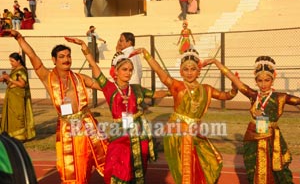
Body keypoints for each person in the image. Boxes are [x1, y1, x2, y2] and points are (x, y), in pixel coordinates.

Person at [6, 29, 109, 184]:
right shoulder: (48, 78)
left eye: (68, 56)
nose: (66, 59)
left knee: (107, 159)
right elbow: (33, 57)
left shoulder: (81, 78)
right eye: (61, 57)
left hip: (88, 124)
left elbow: (106, 87)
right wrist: (20, 39)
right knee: (74, 169)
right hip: (68, 128)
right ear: (54, 60)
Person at [64, 37, 170, 183]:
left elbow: (156, 94)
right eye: (125, 69)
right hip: (120, 133)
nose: (128, 73)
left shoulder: (136, 89)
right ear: (116, 71)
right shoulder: (109, 88)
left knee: (139, 166)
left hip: (139, 132)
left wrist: (174, 91)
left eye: (131, 70)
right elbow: (94, 66)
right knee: (120, 166)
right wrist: (84, 47)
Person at [136, 48, 238, 183]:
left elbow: (226, 96)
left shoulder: (206, 89)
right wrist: (146, 54)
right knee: (186, 167)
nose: (189, 73)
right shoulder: (177, 85)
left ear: (198, 71)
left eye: (193, 69)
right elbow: (160, 72)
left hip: (195, 133)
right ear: (180, 71)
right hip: (178, 133)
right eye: (186, 69)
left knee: (208, 161)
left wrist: (234, 88)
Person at [206, 56, 300, 183]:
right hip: (253, 136)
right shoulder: (253, 95)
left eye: (267, 80)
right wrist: (216, 62)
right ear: (256, 81)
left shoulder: (281, 97)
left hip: (272, 137)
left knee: (277, 169)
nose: (263, 84)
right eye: (260, 80)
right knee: (254, 167)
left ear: (273, 79)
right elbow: (233, 78)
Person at [0, 52, 36, 142]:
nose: (11, 63)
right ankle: (11, 135)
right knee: (11, 117)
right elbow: (13, 83)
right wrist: (5, 79)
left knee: (18, 116)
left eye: (12, 61)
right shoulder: (15, 69)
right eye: (10, 61)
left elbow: (22, 84)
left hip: (18, 99)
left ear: (18, 61)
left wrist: (9, 79)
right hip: (12, 98)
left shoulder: (21, 70)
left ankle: (20, 136)